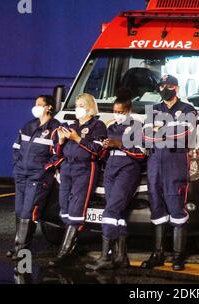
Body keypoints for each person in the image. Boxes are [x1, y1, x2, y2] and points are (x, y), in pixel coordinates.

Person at [141, 74, 197, 271]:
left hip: (175, 165)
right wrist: (162, 134)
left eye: (169, 86)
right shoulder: (153, 110)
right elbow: (145, 135)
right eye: (162, 86)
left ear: (176, 88)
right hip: (155, 164)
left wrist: (159, 133)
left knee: (176, 209)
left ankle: (178, 256)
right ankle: (157, 254)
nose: (165, 89)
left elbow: (184, 135)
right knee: (156, 208)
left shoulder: (187, 110)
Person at [86, 89, 145, 271]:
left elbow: (142, 153)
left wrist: (119, 144)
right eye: (115, 111)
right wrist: (105, 147)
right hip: (111, 170)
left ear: (128, 110)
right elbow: (105, 153)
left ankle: (105, 256)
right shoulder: (111, 127)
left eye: (120, 112)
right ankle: (121, 257)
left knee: (110, 212)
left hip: (127, 171)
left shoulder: (136, 127)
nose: (117, 115)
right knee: (117, 215)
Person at [48, 93, 107, 267]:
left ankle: (64, 253)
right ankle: (72, 248)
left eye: (81, 105)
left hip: (85, 168)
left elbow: (97, 150)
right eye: (76, 105)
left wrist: (77, 138)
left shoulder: (98, 125)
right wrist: (60, 140)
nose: (77, 108)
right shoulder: (70, 125)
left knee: (76, 208)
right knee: (64, 207)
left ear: (89, 107)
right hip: (67, 168)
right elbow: (57, 151)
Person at [9, 95, 60, 260]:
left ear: (49, 107)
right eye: (35, 104)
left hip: (38, 178)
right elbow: (16, 147)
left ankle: (22, 251)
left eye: (40, 104)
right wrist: (17, 166)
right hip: (21, 175)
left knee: (29, 212)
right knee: (19, 211)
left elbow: (59, 154)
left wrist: (44, 169)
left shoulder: (55, 128)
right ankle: (18, 246)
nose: (36, 107)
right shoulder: (29, 126)